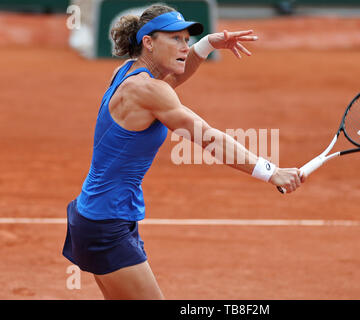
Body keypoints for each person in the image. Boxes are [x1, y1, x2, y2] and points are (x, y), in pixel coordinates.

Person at [62, 3, 305, 300]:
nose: (184, 46)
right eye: (175, 39)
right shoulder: (148, 91)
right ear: (148, 42)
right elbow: (208, 138)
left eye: (187, 40)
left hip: (98, 215)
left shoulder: (129, 73)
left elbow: (172, 81)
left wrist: (206, 45)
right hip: (106, 224)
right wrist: (271, 172)